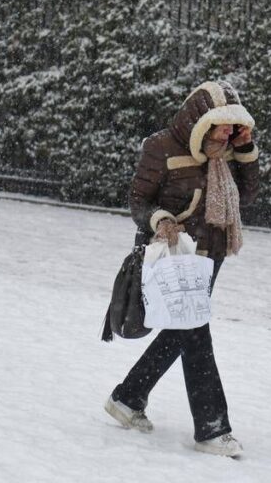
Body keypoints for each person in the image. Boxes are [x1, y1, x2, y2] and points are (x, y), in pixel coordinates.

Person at [103, 80, 260, 458]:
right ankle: (212, 428)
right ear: (200, 120)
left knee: (182, 333)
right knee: (194, 333)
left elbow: (249, 195)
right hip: (174, 256)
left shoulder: (226, 154)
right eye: (224, 125)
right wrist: (159, 219)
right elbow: (138, 200)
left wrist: (246, 150)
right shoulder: (160, 147)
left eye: (235, 126)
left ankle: (128, 397)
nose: (230, 132)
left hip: (210, 257)